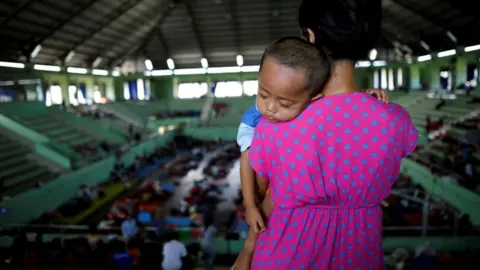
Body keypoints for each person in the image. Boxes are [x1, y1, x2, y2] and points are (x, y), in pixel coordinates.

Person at [232, 1, 418, 269]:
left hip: (286, 256)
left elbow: (263, 199)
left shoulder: (277, 126)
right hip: (359, 256)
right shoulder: (395, 120)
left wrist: (248, 251)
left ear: (310, 36)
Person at [238, 49, 388, 234]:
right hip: (272, 197)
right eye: (263, 95)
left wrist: (363, 97)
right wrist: (251, 206)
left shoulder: (311, 105)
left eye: (284, 104)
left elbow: (342, 108)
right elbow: (246, 161)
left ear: (311, 99)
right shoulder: (253, 120)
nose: (270, 109)